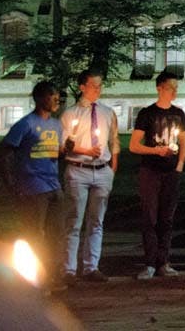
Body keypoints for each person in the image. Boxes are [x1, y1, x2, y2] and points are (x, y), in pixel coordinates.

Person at [0, 81, 65, 289]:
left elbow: (53, 154)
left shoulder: (56, 125)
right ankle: (34, 279)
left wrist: (64, 151)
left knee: (57, 233)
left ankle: (52, 276)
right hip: (33, 187)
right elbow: (2, 153)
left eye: (57, 97)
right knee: (35, 234)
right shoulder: (25, 124)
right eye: (52, 96)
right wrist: (10, 183)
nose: (56, 100)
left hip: (54, 185)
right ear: (40, 98)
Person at [59, 70, 119, 283]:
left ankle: (91, 266)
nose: (97, 90)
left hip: (102, 171)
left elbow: (114, 141)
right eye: (93, 86)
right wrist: (85, 151)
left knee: (97, 221)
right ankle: (69, 269)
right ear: (82, 87)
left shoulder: (107, 112)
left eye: (100, 86)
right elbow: (64, 145)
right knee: (74, 220)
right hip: (78, 170)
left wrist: (112, 167)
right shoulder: (70, 114)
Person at [129, 71, 185, 279]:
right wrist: (156, 151)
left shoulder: (179, 114)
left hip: (171, 172)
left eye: (176, 88)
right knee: (150, 217)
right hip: (151, 171)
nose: (174, 91)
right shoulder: (147, 114)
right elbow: (134, 145)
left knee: (167, 218)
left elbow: (184, 144)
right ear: (160, 88)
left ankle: (164, 261)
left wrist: (179, 166)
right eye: (171, 87)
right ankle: (150, 263)